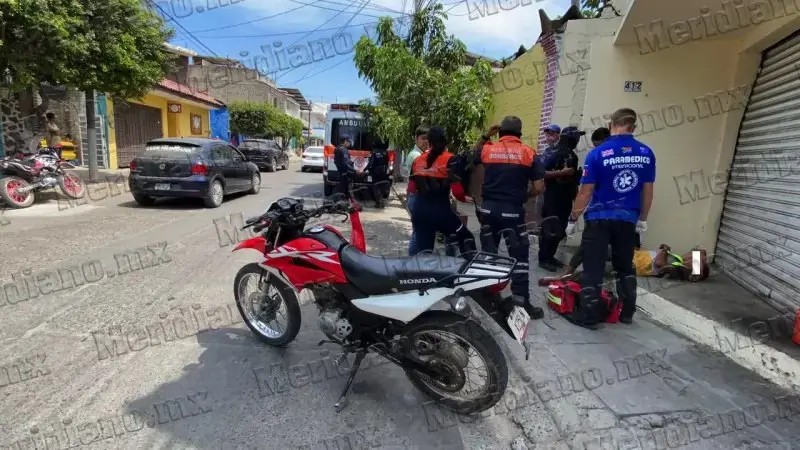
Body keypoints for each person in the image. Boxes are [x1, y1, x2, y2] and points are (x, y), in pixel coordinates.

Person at [565, 108, 656, 328]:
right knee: (624, 266)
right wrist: (642, 219)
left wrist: (572, 219)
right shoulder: (646, 153)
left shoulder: (597, 154)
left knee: (593, 268)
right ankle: (627, 313)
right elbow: (648, 191)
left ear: (610, 125)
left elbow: (585, 192)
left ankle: (589, 317)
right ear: (633, 127)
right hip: (627, 219)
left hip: (599, 218)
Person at [469, 116, 545, 319]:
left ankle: (487, 297)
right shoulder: (529, 153)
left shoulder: (488, 149)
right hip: (512, 211)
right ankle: (520, 302)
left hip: (487, 210)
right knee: (519, 257)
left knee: (488, 255)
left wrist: (486, 135)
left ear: (500, 133)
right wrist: (524, 196)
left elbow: (471, 157)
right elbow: (538, 187)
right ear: (519, 134)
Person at [408, 126, 476, 256]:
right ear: (446, 141)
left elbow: (411, 189)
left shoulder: (418, 160)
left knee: (425, 252)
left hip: (420, 211)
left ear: (429, 142)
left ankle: (423, 274)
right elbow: (457, 192)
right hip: (440, 213)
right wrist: (462, 198)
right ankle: (466, 270)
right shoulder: (450, 160)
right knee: (466, 238)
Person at [545, 241, 709, 283]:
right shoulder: (679, 259)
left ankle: (567, 278)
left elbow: (659, 264)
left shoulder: (675, 268)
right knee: (589, 246)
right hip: (629, 254)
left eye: (692, 259)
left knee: (596, 268)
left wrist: (664, 249)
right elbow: (700, 249)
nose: (690, 256)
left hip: (627, 262)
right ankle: (568, 272)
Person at [538, 126, 583, 272]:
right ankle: (543, 258)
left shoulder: (573, 156)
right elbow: (540, 173)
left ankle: (550, 256)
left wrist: (576, 200)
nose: (578, 140)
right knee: (550, 229)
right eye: (576, 137)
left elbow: (574, 181)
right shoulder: (552, 152)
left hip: (566, 198)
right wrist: (560, 173)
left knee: (560, 230)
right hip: (552, 197)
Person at [405, 127, 428, 255]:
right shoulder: (416, 156)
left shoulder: (420, 154)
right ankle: (412, 260)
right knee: (418, 231)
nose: (426, 142)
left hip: (415, 195)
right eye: (423, 138)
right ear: (416, 139)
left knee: (419, 231)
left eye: (428, 139)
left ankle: (415, 259)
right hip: (416, 195)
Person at [364, 141, 389, 208]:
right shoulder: (385, 152)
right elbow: (387, 162)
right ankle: (381, 202)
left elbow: (371, 163)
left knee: (375, 187)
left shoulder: (374, 152)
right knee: (382, 187)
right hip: (383, 172)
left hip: (375, 173)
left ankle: (379, 202)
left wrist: (365, 170)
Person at [333, 134, 356, 199]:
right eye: (349, 142)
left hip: (341, 173)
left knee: (342, 192)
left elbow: (335, 161)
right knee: (349, 193)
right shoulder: (344, 150)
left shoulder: (336, 148)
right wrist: (354, 171)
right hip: (346, 175)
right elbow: (346, 163)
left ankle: (342, 205)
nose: (349, 143)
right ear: (345, 141)